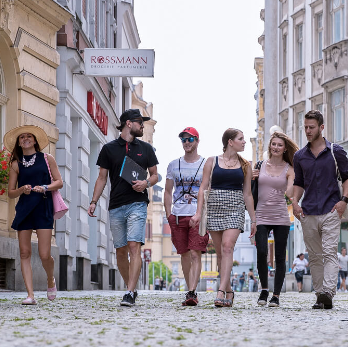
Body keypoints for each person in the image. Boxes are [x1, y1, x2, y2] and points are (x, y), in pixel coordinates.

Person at [88, 109, 158, 307]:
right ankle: (132, 288)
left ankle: (128, 292)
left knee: (134, 245)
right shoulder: (109, 149)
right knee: (121, 251)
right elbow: (102, 178)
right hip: (116, 205)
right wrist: (93, 201)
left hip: (138, 203)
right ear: (128, 123)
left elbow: (154, 175)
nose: (142, 126)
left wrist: (146, 183)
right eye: (140, 122)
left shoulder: (146, 149)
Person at [292, 110, 348, 309]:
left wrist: (344, 200)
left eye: (311, 127)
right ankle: (320, 295)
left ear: (321, 127)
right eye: (305, 127)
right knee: (315, 256)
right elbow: (299, 183)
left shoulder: (336, 152)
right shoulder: (299, 156)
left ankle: (328, 292)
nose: (308, 131)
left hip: (331, 209)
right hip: (308, 212)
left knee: (329, 252)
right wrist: (294, 201)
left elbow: (347, 177)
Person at [191, 128, 257, 307]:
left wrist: (253, 219)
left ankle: (220, 291)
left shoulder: (245, 165)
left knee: (228, 248)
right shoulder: (212, 162)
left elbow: (248, 194)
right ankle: (229, 291)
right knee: (220, 253)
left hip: (235, 209)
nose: (244, 142)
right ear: (230, 141)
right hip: (214, 209)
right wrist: (198, 213)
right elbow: (203, 188)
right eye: (240, 139)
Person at [5, 126, 63, 305]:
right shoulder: (16, 164)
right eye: (22, 137)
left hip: (43, 206)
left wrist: (44, 187)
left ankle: (50, 279)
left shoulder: (47, 158)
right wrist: (22, 189)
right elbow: (10, 193)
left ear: (35, 140)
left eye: (29, 136)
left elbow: (59, 182)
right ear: (19, 142)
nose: (25, 139)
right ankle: (30, 295)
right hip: (24, 209)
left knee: (45, 254)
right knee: (24, 252)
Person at [252, 132, 298, 307]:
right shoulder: (260, 165)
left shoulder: (289, 169)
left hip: (280, 215)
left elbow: (289, 193)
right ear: (270, 146)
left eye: (280, 145)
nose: (276, 148)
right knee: (262, 252)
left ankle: (276, 295)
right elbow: (249, 189)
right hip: (261, 214)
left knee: (280, 257)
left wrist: (292, 184)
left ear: (285, 148)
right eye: (274, 144)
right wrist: (251, 177)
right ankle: (264, 290)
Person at [164, 126, 208, 306]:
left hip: (198, 215)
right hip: (178, 215)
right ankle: (189, 288)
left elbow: (208, 190)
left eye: (190, 139)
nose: (186, 142)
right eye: (183, 139)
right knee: (184, 254)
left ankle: (192, 292)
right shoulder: (174, 165)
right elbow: (167, 191)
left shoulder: (206, 164)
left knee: (196, 253)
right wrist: (168, 213)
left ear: (197, 141)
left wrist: (202, 212)